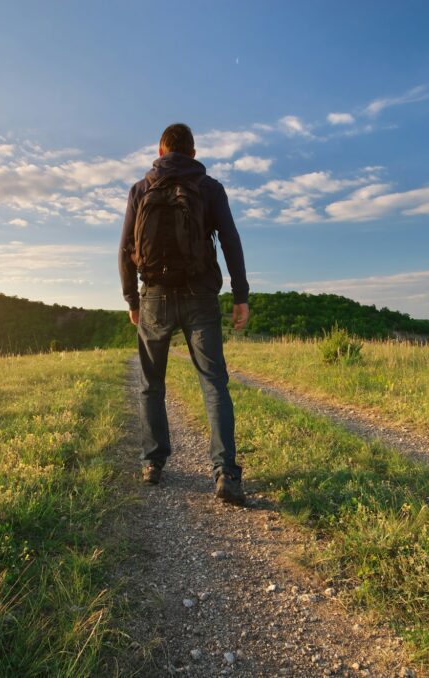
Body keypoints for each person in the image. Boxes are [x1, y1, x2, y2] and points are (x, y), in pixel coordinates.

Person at [118, 123, 250, 505]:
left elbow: (125, 248)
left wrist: (132, 300)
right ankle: (225, 472)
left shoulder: (141, 189)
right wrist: (240, 294)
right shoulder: (209, 188)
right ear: (193, 153)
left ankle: (153, 464)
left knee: (150, 383)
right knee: (213, 382)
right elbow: (229, 239)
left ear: (161, 152)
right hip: (200, 296)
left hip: (154, 297)